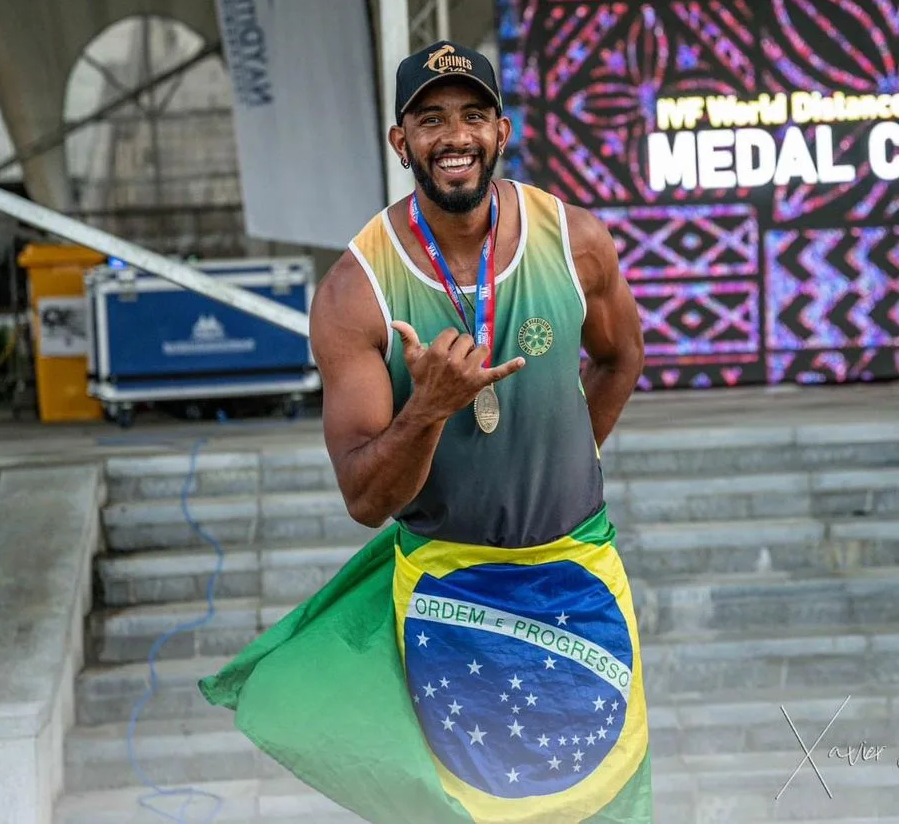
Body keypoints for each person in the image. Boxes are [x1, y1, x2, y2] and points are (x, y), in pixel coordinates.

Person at [200, 40, 651, 823]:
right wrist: (429, 408)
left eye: (474, 115)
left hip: (577, 575)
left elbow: (620, 359)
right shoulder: (357, 290)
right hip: (452, 593)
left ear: (502, 131)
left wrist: (560, 462)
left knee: (601, 802)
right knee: (472, 810)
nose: (456, 136)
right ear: (399, 141)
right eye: (431, 118)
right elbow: (366, 499)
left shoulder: (574, 241)